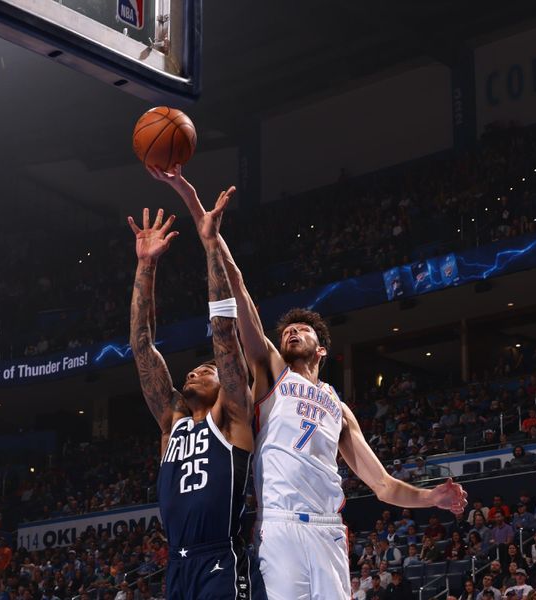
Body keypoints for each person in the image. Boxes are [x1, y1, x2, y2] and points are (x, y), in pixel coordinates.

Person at [149, 164, 467, 600]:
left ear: (322, 350)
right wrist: (205, 226)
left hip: (328, 531)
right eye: (286, 332)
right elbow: (238, 291)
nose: (292, 333)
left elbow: (384, 486)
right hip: (279, 527)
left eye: (302, 330)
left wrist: (431, 498)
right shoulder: (272, 372)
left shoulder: (338, 408)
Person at [127, 202, 264, 600]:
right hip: (178, 564)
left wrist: (210, 245)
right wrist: (146, 266)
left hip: (220, 557)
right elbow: (141, 345)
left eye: (206, 371)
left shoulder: (232, 415)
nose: (193, 372)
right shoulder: (173, 423)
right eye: (192, 371)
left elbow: (223, 331)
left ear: (227, 381)